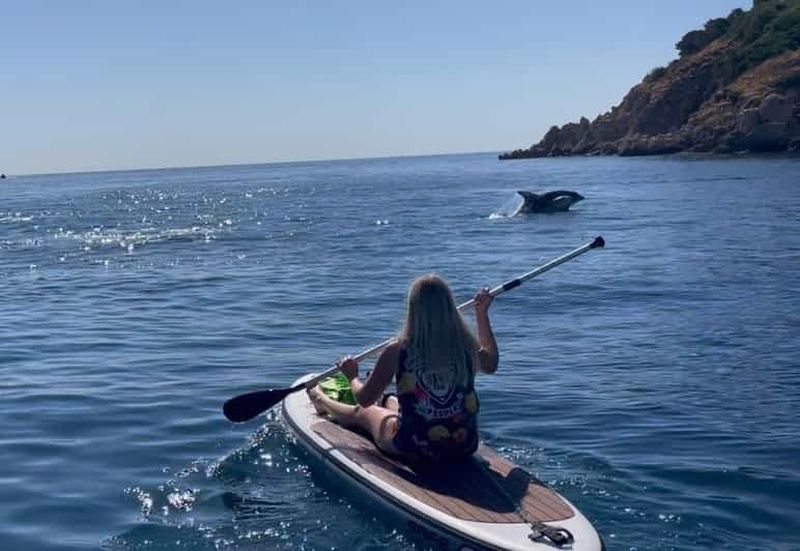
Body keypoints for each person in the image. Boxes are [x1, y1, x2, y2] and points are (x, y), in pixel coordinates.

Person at [308, 274, 499, 462]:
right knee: (394, 401)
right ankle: (386, 400)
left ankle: (320, 399)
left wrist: (352, 377)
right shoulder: (465, 345)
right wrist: (482, 314)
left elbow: (365, 399)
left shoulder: (397, 350)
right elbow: (491, 365)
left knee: (363, 412)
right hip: (464, 445)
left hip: (412, 446)